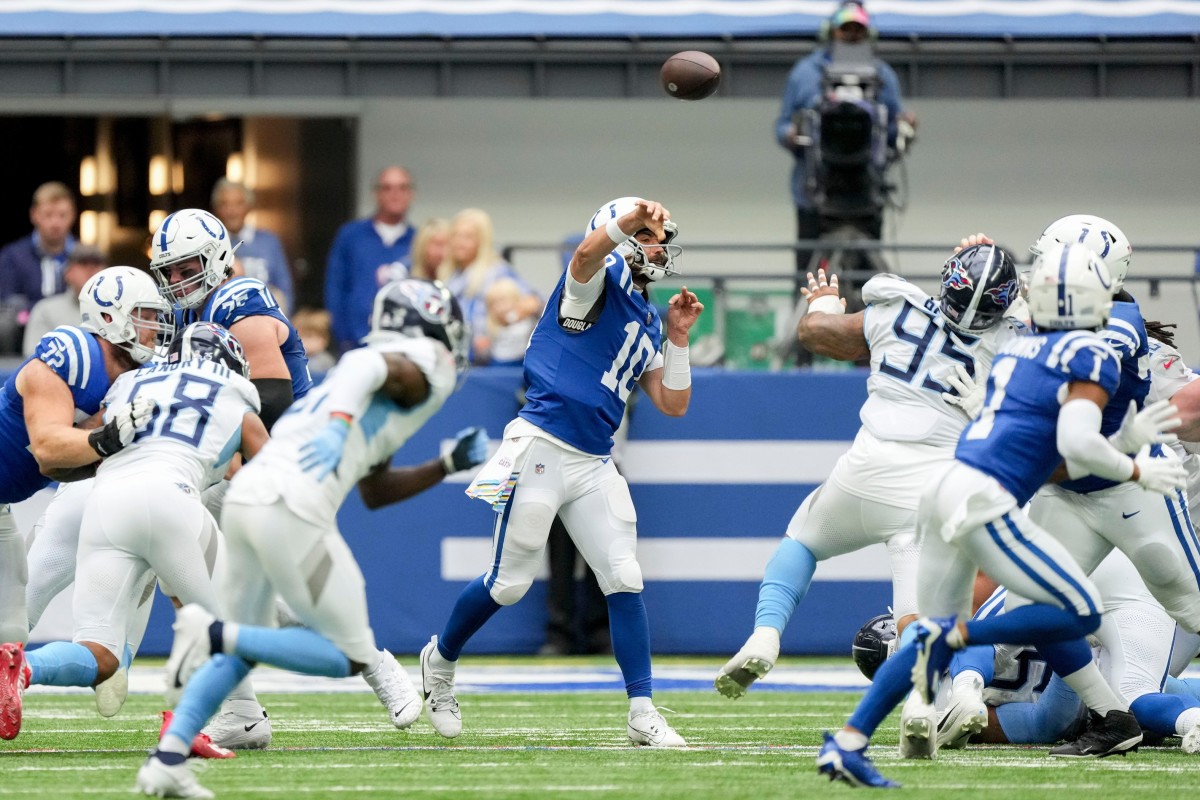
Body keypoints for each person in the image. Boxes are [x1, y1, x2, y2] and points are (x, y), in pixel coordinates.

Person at [815, 243, 1185, 788]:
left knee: (976, 620)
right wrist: (1133, 466)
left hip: (950, 493)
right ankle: (979, 661)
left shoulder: (1016, 351)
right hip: (993, 502)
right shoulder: (1079, 353)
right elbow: (1076, 450)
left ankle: (854, 738)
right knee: (1072, 612)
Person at [134, 279, 488, 799]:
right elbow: (368, 367)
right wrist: (341, 423)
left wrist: (445, 466)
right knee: (345, 654)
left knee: (244, 644)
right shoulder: (414, 362)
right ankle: (208, 634)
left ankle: (167, 760)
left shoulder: (376, 378)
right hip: (292, 504)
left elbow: (375, 490)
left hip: (249, 495)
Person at [418, 196, 703, 747]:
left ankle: (642, 711)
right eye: (646, 235)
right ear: (620, 236)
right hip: (542, 445)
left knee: (623, 576)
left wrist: (680, 339)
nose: (657, 245)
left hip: (594, 461)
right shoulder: (593, 286)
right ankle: (441, 661)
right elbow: (585, 254)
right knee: (509, 583)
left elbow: (673, 403)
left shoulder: (646, 316)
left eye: (658, 237)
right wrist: (629, 220)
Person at [716, 244, 1024, 702]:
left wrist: (823, 304)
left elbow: (816, 333)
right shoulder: (1012, 344)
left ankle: (765, 634)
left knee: (801, 541)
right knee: (919, 613)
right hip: (931, 490)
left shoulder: (897, 310)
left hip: (865, 469)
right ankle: (923, 703)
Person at [0, 323, 268, 743]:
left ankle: (19, 666)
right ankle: (226, 717)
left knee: (25, 613)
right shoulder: (233, 394)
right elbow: (265, 474)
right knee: (205, 621)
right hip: (165, 501)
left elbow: (65, 453)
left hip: (94, 498)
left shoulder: (130, 382)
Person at [0, 265, 170, 738]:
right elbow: (48, 449)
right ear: (111, 317)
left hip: (3, 504)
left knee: (8, 639)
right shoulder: (72, 352)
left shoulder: (135, 376)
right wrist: (111, 437)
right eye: (143, 316)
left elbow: (66, 468)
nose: (153, 328)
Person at [776, 2, 915, 317]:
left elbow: (893, 128)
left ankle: (868, 355)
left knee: (872, 285)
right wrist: (792, 134)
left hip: (868, 192)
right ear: (831, 31)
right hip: (816, 195)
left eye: (859, 30)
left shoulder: (883, 76)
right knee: (806, 280)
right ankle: (802, 361)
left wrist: (905, 128)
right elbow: (782, 124)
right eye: (846, 28)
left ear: (868, 34)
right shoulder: (805, 72)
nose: (851, 36)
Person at [324, 166, 417, 354]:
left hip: (405, 347)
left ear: (411, 194)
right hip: (356, 343)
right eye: (387, 188)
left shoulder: (418, 241)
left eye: (402, 188)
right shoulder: (351, 235)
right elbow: (335, 288)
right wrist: (343, 338)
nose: (395, 194)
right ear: (376, 193)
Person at [438, 208, 541, 364]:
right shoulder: (450, 275)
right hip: (456, 356)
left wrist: (506, 319)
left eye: (467, 237)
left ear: (482, 240)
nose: (459, 242)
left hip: (489, 360)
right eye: (455, 235)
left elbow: (534, 302)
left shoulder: (496, 271)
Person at [0, 182, 78, 351]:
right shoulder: (12, 256)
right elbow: (8, 301)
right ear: (34, 215)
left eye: (62, 215)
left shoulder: (84, 257)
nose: (55, 223)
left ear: (73, 215)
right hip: (23, 329)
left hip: (75, 330)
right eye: (48, 215)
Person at [211, 179, 294, 312]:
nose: (232, 211)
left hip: (264, 319)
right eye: (224, 204)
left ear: (249, 207)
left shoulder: (269, 242)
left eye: (239, 204)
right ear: (216, 208)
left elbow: (284, 288)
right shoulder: (210, 245)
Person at [21, 244, 107, 356]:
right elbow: (32, 355)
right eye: (83, 263)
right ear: (68, 273)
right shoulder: (45, 310)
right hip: (57, 373)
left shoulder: (118, 309)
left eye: (96, 264)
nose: (90, 269)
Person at [475, 277, 537, 366]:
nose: (500, 308)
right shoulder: (489, 326)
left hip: (521, 362)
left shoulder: (528, 322)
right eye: (494, 304)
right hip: (497, 364)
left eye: (504, 301)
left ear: (516, 299)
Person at [291, 308, 337, 376]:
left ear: (324, 339)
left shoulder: (326, 361)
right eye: (299, 336)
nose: (303, 341)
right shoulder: (292, 359)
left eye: (309, 336)